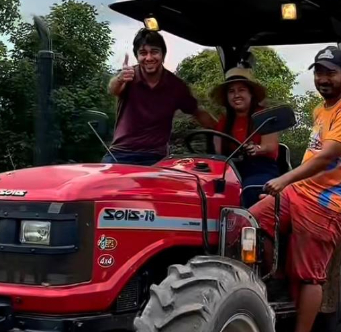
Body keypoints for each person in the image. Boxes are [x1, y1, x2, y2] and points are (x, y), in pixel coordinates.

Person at [249, 47, 341, 332]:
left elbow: (325, 157)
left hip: (328, 203)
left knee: (309, 276)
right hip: (300, 193)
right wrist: (290, 185)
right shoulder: (321, 110)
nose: (323, 79)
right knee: (251, 221)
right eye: (318, 72)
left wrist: (283, 179)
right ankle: (273, 277)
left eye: (330, 72)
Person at [105, 28, 216, 165]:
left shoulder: (176, 86)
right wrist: (120, 79)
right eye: (143, 53)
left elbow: (197, 112)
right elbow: (113, 89)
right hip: (121, 153)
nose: (149, 58)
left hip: (156, 157)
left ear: (163, 55)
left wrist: (222, 130)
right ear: (137, 56)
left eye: (154, 52)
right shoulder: (128, 77)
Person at [209, 67, 280, 207]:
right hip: (231, 169)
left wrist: (257, 149)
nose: (236, 95)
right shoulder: (224, 121)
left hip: (261, 167)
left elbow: (270, 146)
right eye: (231, 91)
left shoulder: (264, 117)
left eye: (241, 90)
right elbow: (217, 152)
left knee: (251, 188)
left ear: (251, 93)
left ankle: (251, 227)